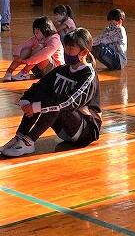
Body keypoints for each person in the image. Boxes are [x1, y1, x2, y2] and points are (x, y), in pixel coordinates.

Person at [0, 28, 102, 157]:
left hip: (85, 130)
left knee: (57, 102)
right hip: (64, 128)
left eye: (71, 48)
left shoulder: (88, 75)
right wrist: (26, 101)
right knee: (44, 95)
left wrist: (36, 107)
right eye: (66, 47)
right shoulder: (62, 70)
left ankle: (29, 141)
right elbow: (40, 86)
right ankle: (20, 136)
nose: (67, 52)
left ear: (84, 52)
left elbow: (69, 102)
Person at [2, 16, 64, 81]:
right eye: (34, 31)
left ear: (45, 29)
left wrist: (28, 61)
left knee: (40, 48)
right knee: (27, 50)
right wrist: (17, 55)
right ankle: (9, 72)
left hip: (54, 71)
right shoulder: (36, 38)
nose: (35, 33)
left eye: (37, 31)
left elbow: (45, 55)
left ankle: (24, 72)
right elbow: (23, 45)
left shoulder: (55, 39)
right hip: (38, 70)